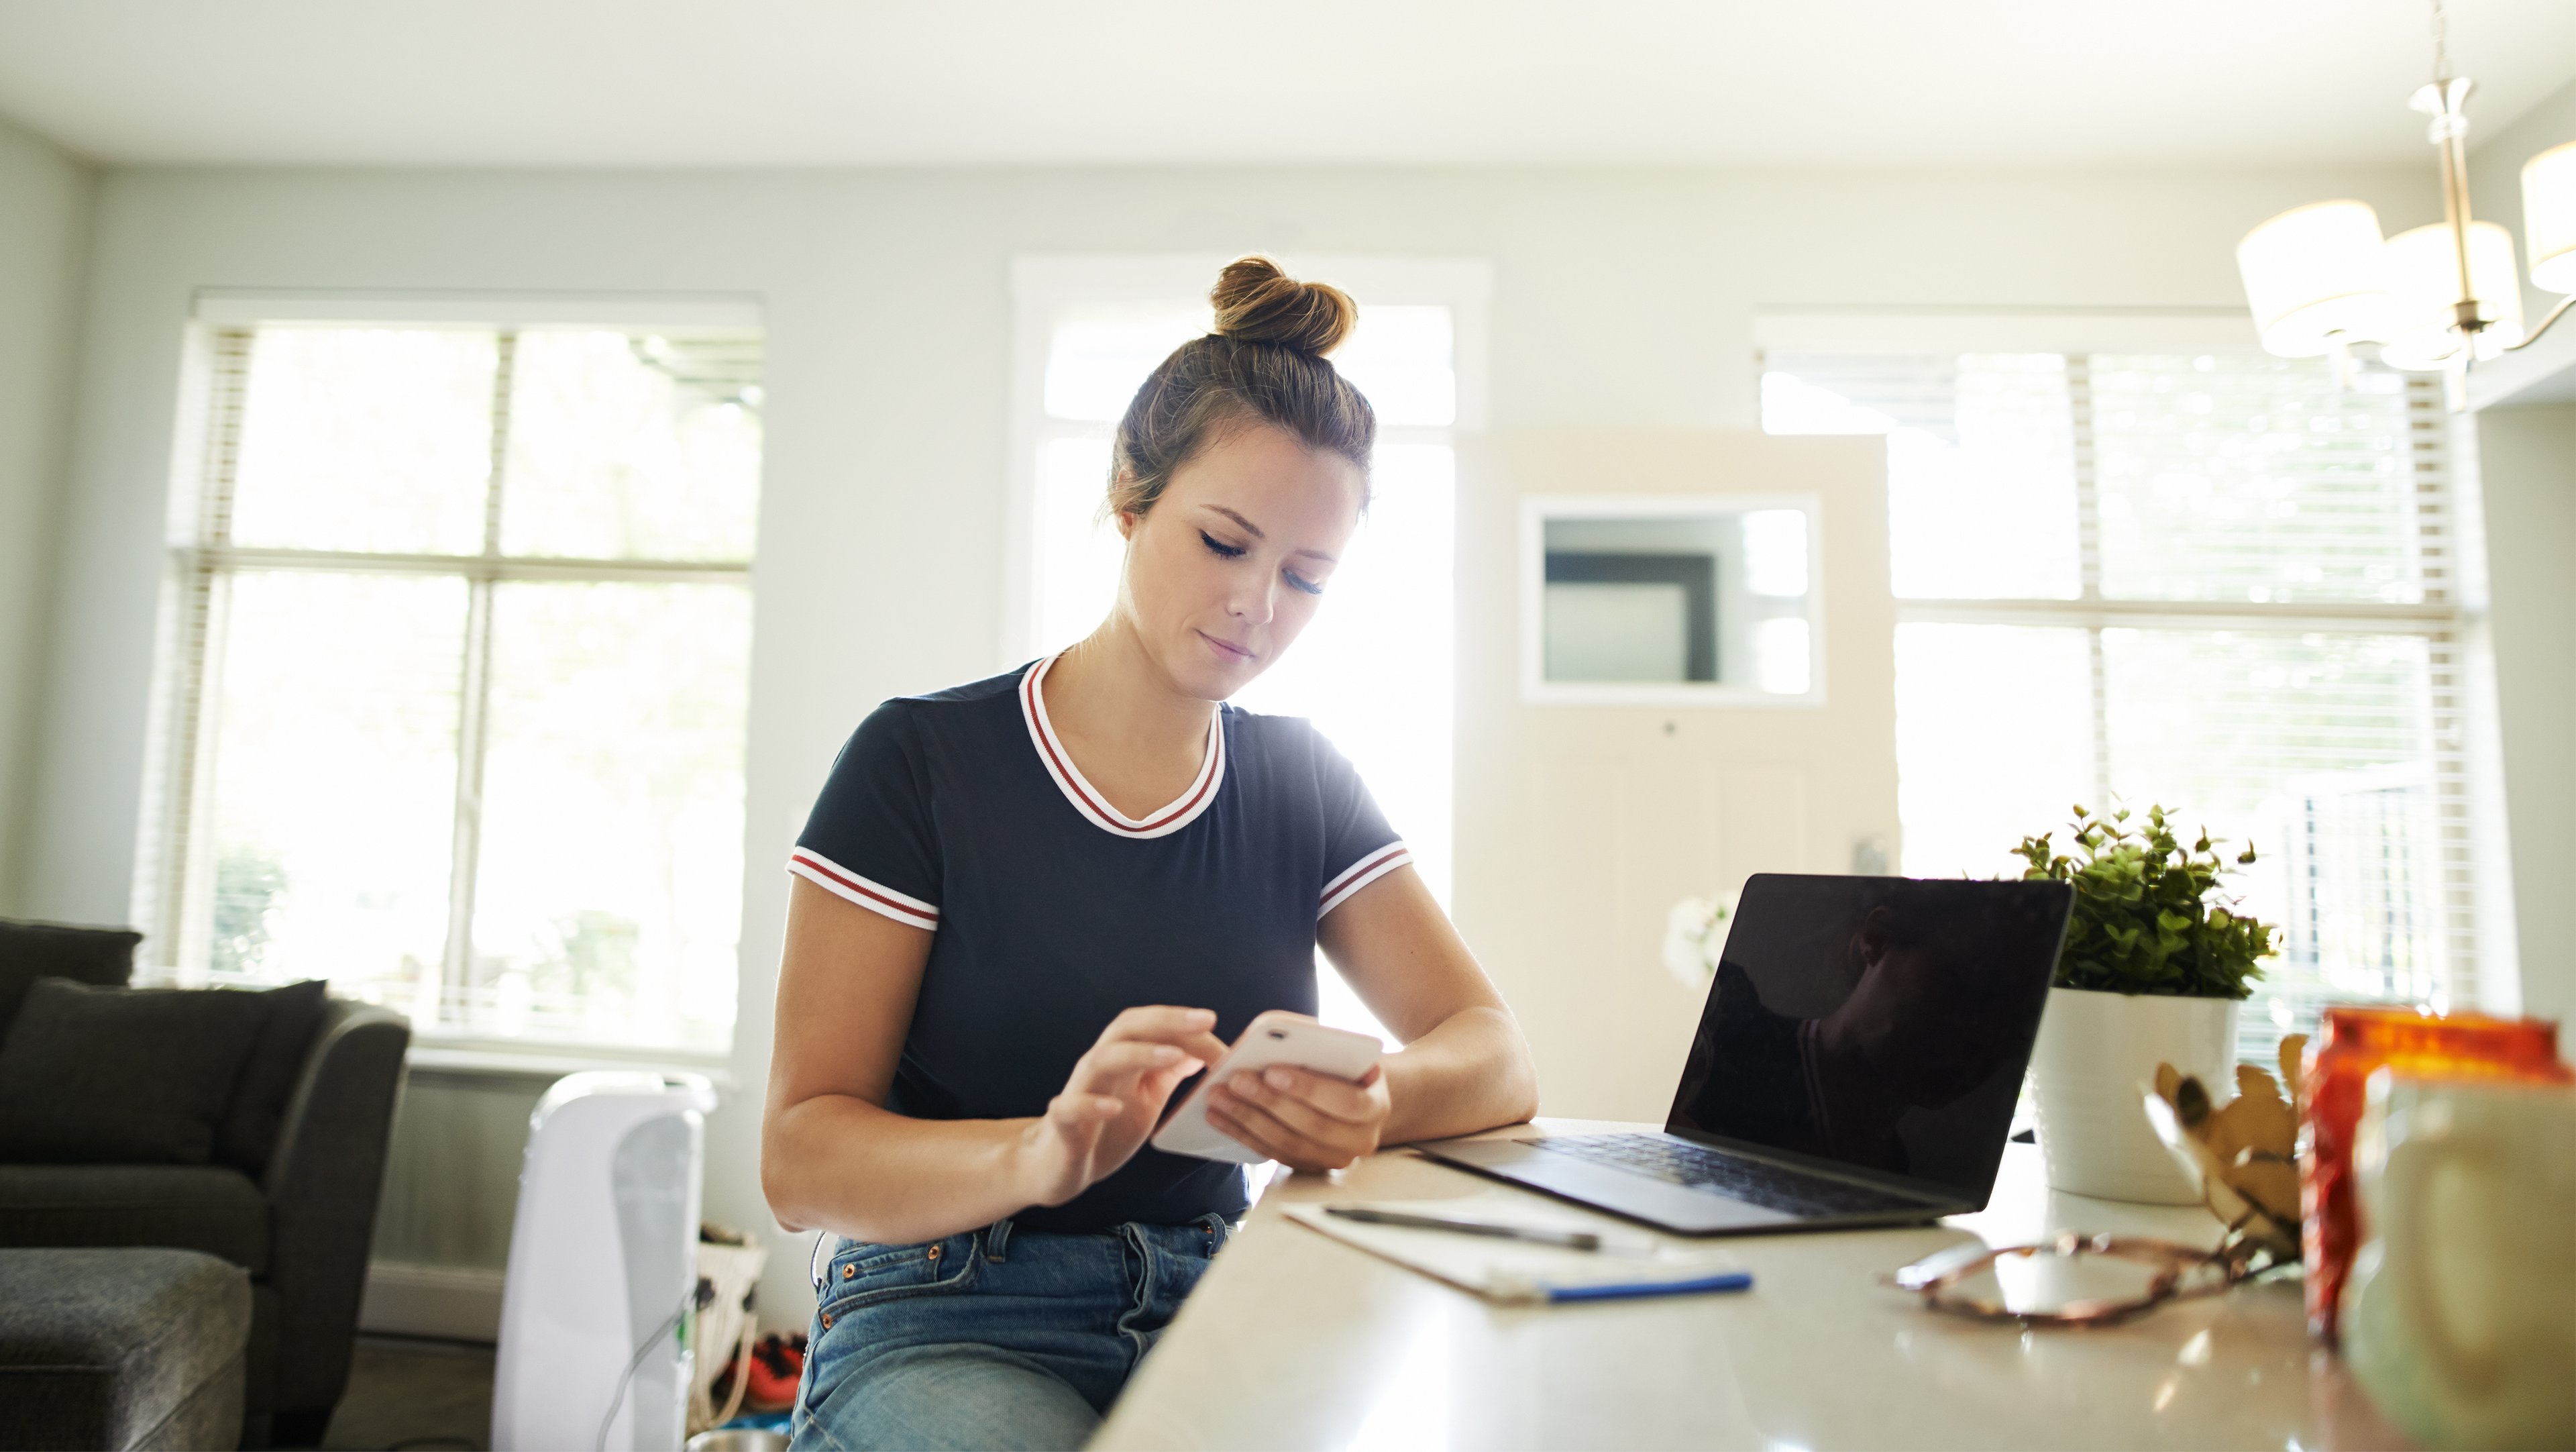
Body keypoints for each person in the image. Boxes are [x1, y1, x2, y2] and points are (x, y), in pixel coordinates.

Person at [762, 257, 1540, 1452]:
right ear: (1130, 497)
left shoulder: (1300, 780)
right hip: (950, 1309)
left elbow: (1494, 1057)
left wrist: (1369, 1102)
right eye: (1223, 542)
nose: (1258, 605)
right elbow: (803, 1155)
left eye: (1307, 576)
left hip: (1220, 1293)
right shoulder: (921, 762)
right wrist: (1043, 1151)